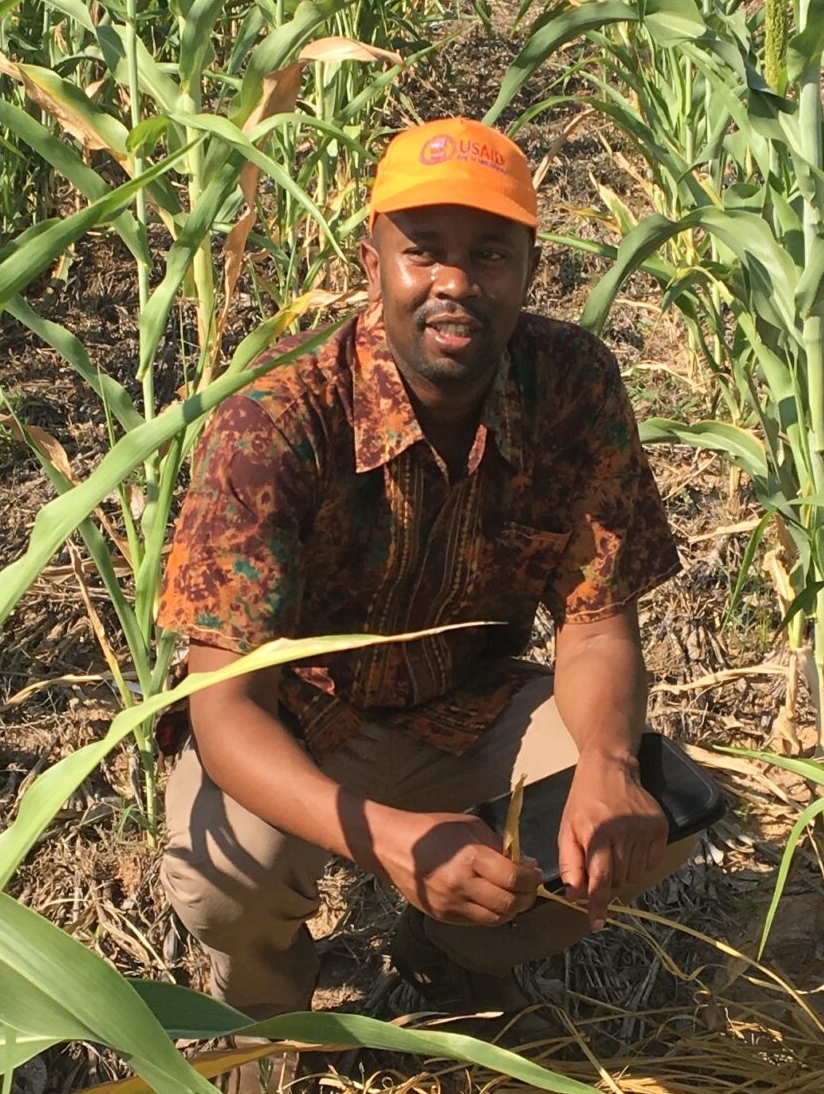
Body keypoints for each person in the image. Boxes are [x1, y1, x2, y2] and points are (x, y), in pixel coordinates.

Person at [159, 117, 692, 1026]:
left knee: (652, 815)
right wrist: (389, 841)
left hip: (468, 711)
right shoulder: (275, 418)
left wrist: (605, 766)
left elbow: (596, 623)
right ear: (375, 265)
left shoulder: (573, 384)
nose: (456, 284)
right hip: (302, 719)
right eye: (424, 252)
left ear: (530, 267)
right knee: (225, 883)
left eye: (489, 255)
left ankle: (454, 957)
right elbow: (225, 708)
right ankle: (266, 1023)